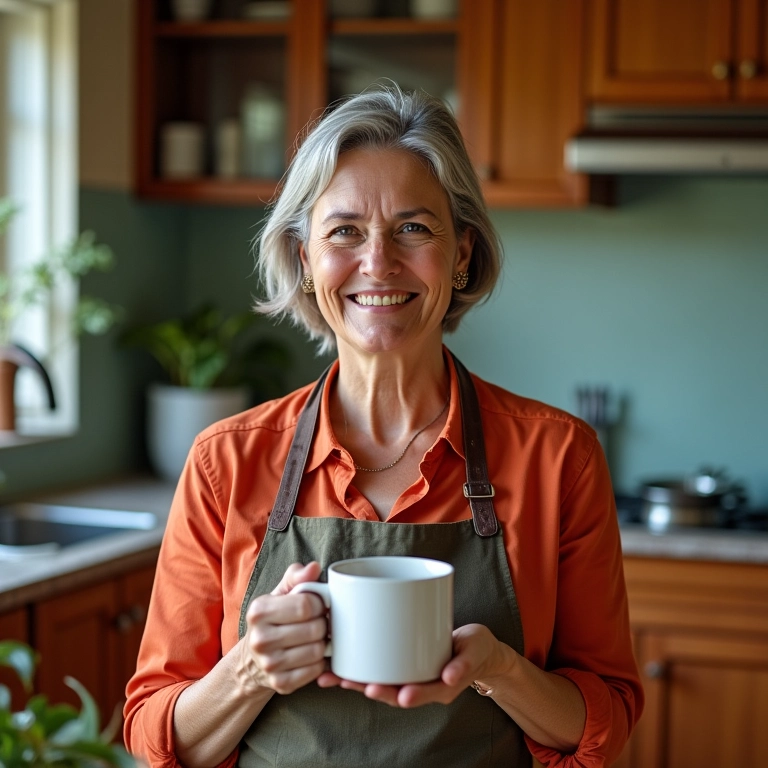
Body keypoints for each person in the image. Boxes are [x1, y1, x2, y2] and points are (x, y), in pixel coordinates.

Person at [125, 85, 643, 768]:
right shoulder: (228, 461)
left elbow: (602, 720)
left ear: (462, 253)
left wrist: (498, 669)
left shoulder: (558, 456)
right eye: (344, 231)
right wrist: (250, 669)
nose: (378, 262)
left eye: (414, 228)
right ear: (306, 260)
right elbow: (155, 734)